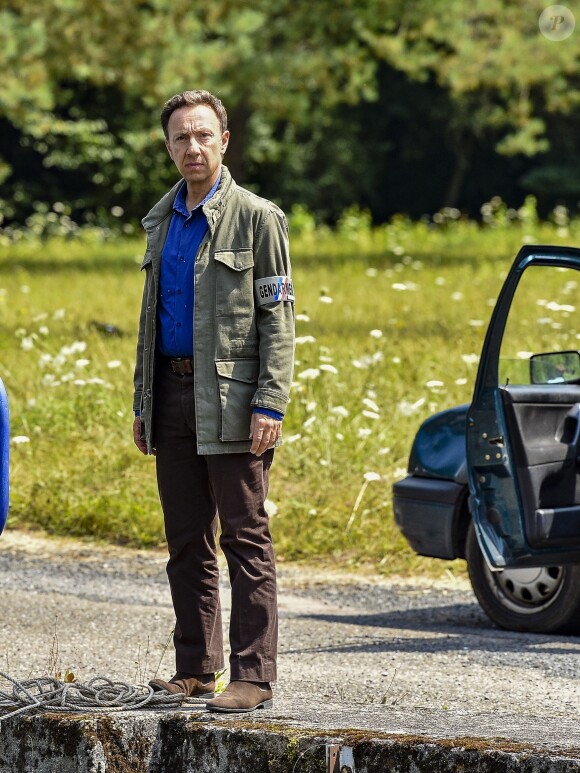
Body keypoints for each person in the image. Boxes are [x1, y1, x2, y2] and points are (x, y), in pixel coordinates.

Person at [132, 90, 295, 713]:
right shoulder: (161, 220)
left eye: (203, 135)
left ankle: (253, 676)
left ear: (224, 141)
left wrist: (270, 403)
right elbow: (151, 320)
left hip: (232, 399)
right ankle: (197, 668)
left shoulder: (258, 218)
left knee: (245, 539)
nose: (192, 147)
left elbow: (278, 320)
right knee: (185, 540)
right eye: (181, 137)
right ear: (168, 146)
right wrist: (143, 403)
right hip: (169, 393)